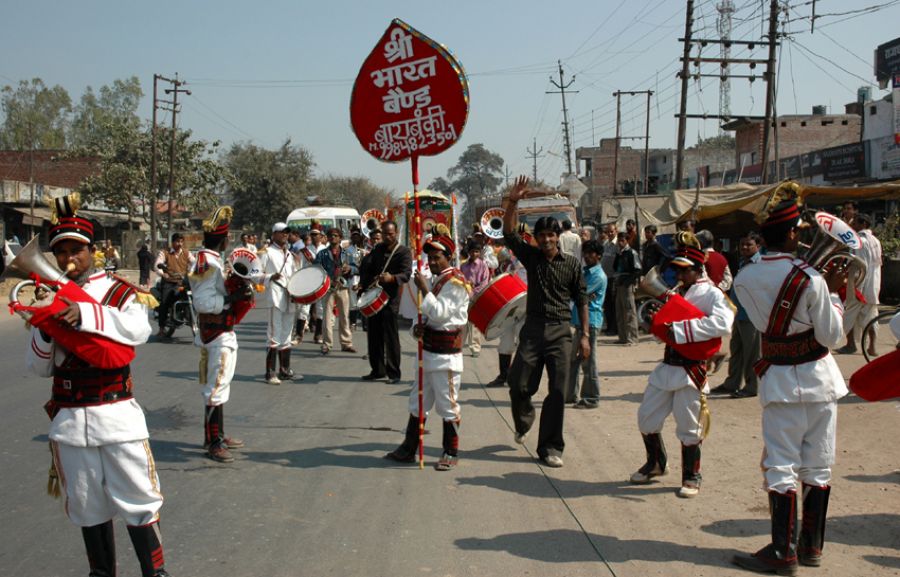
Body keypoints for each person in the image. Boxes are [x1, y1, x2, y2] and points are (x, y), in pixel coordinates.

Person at [25, 193, 170, 577]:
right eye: (61, 252)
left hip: (117, 416)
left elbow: (140, 330)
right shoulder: (49, 294)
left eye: (76, 250)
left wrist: (84, 313)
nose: (69, 259)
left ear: (93, 251)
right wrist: (44, 323)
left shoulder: (118, 292)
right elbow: (38, 369)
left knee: (138, 500)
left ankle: (154, 572)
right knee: (87, 506)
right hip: (71, 421)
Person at [732, 194, 849, 574]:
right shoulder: (812, 279)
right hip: (821, 381)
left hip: (781, 381)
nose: (802, 239)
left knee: (781, 466)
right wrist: (833, 294)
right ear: (789, 235)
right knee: (817, 468)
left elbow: (761, 318)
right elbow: (832, 337)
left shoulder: (746, 276)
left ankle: (784, 552)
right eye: (798, 233)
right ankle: (811, 547)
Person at [629, 236, 734, 498]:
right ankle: (655, 463)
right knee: (646, 417)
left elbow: (723, 324)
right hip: (669, 363)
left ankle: (691, 475)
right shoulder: (676, 292)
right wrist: (654, 325)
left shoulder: (711, 293)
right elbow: (665, 327)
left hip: (691, 368)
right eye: (677, 268)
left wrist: (680, 329)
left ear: (698, 270)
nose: (679, 273)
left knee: (689, 426)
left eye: (685, 269)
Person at [502, 176, 588, 468]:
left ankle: (551, 446)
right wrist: (513, 202)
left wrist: (585, 335)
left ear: (558, 237)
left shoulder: (572, 265)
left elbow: (582, 299)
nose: (548, 240)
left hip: (562, 332)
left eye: (552, 235)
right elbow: (510, 235)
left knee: (559, 391)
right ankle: (524, 420)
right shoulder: (532, 258)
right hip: (533, 331)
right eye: (542, 236)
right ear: (537, 239)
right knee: (517, 384)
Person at [384, 231, 470, 470]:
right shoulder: (431, 281)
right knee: (418, 401)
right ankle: (409, 447)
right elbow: (419, 316)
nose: (432, 262)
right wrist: (416, 330)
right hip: (426, 353)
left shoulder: (456, 282)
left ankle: (450, 451)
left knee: (447, 404)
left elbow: (441, 313)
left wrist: (424, 289)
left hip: (446, 356)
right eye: (430, 258)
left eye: (437, 257)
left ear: (449, 257)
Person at [189, 206, 252, 463]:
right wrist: (232, 297)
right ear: (225, 240)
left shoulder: (208, 260)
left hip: (216, 332)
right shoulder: (209, 264)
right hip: (217, 333)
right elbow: (203, 303)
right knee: (216, 388)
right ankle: (214, 443)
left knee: (217, 386)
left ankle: (217, 434)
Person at [358, 220, 412, 383]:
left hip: (391, 298)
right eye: (385, 234)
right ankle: (377, 370)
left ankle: (394, 373)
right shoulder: (377, 249)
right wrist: (363, 283)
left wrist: (392, 278)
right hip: (375, 296)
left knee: (390, 336)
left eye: (391, 234)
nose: (388, 237)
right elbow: (368, 268)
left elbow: (406, 274)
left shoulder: (403, 252)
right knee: (373, 335)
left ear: (395, 233)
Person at [711, 233, 763, 399]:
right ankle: (732, 383)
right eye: (742, 245)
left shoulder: (759, 264)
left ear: (758, 247)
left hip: (751, 316)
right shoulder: (744, 263)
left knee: (752, 354)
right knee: (737, 351)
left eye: (749, 245)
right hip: (739, 315)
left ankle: (752, 386)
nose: (744, 248)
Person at [566, 239, 607, 408]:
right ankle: (569, 395)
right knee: (573, 359)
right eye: (586, 253)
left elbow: (578, 292)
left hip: (590, 323)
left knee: (588, 361)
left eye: (591, 253)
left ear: (599, 256)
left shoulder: (598, 276)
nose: (587, 256)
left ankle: (591, 398)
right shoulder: (586, 272)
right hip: (580, 322)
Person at [260, 222, 301, 385]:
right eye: (281, 232)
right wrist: (270, 276)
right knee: (274, 333)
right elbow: (255, 273)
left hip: (289, 296)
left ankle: (284, 370)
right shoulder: (266, 252)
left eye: (287, 232)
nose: (285, 234)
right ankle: (270, 372)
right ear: (274, 234)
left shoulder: (291, 255)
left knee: (286, 334)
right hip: (275, 295)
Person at [837, 213, 882, 356]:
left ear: (863, 224)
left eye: (855, 223)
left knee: (849, 314)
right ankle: (872, 347)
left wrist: (856, 287)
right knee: (871, 315)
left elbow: (860, 265)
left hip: (860, 285)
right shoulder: (876, 240)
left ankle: (850, 345)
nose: (853, 226)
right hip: (873, 286)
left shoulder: (859, 240)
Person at [315, 227, 356, 355]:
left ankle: (346, 343)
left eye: (336, 235)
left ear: (340, 237)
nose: (333, 238)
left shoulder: (347, 253)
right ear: (327, 238)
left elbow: (356, 268)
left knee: (344, 316)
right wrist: (327, 279)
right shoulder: (322, 254)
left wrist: (349, 268)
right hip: (328, 288)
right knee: (327, 317)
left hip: (343, 287)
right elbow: (316, 270)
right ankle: (327, 344)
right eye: (331, 235)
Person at [154, 233, 195, 338]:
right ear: (172, 242)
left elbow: (194, 263)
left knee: (193, 297)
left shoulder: (186, 253)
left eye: (181, 241)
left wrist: (194, 271)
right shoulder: (165, 253)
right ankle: (161, 329)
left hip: (183, 282)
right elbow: (157, 265)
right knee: (164, 302)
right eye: (177, 241)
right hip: (169, 282)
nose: (180, 244)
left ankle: (189, 316)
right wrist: (163, 273)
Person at [460, 239, 490, 358]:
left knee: (474, 324)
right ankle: (459, 345)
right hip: (464, 296)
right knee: (462, 321)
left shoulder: (483, 265)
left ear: (480, 252)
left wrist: (473, 292)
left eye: (477, 252)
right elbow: (460, 279)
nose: (474, 254)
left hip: (477, 297)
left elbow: (485, 282)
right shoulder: (463, 266)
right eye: (472, 251)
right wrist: (465, 289)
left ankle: (475, 347)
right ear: (469, 252)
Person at [613, 231, 641, 345]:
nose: (620, 243)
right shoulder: (619, 253)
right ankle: (623, 337)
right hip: (619, 284)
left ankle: (633, 338)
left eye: (622, 240)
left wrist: (628, 282)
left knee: (629, 312)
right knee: (620, 311)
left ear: (627, 241)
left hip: (627, 285)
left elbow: (638, 270)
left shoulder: (631, 253)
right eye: (619, 241)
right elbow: (615, 267)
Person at [600, 223, 619, 336]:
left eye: (612, 231)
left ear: (616, 231)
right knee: (607, 304)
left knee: (613, 304)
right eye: (608, 232)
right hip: (605, 278)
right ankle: (609, 327)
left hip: (613, 278)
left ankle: (614, 328)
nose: (610, 234)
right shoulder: (606, 244)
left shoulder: (617, 244)